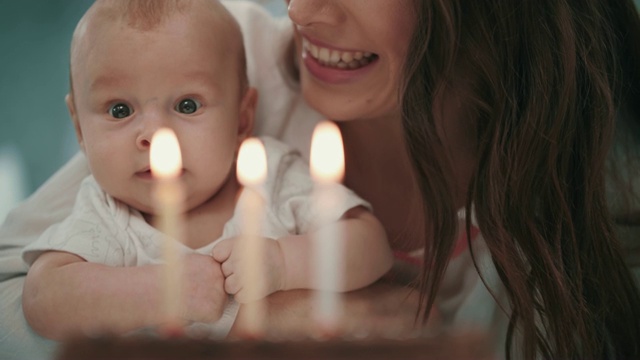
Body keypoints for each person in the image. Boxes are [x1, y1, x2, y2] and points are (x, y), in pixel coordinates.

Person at [1, 0, 639, 359]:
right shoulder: (201, 59)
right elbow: (19, 291)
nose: (300, 8)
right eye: (117, 114)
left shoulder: (590, 195)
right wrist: (277, 315)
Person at [18, 0, 392, 344]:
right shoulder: (106, 215)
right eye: (120, 110)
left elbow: (370, 245)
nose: (155, 136)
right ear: (80, 129)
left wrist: (283, 262)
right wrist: (161, 291)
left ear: (242, 117)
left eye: (187, 104)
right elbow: (41, 298)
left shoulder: (269, 176)